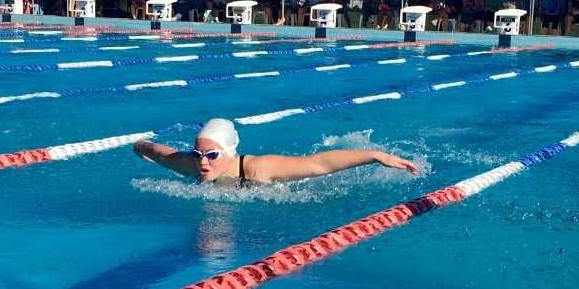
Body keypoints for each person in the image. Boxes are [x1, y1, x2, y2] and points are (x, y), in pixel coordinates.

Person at [133, 118, 419, 186]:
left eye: (212, 155)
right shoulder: (192, 165)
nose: (203, 162)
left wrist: (375, 155)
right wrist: (140, 146)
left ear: (230, 152)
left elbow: (317, 165)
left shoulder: (258, 169)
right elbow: (161, 153)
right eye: (198, 154)